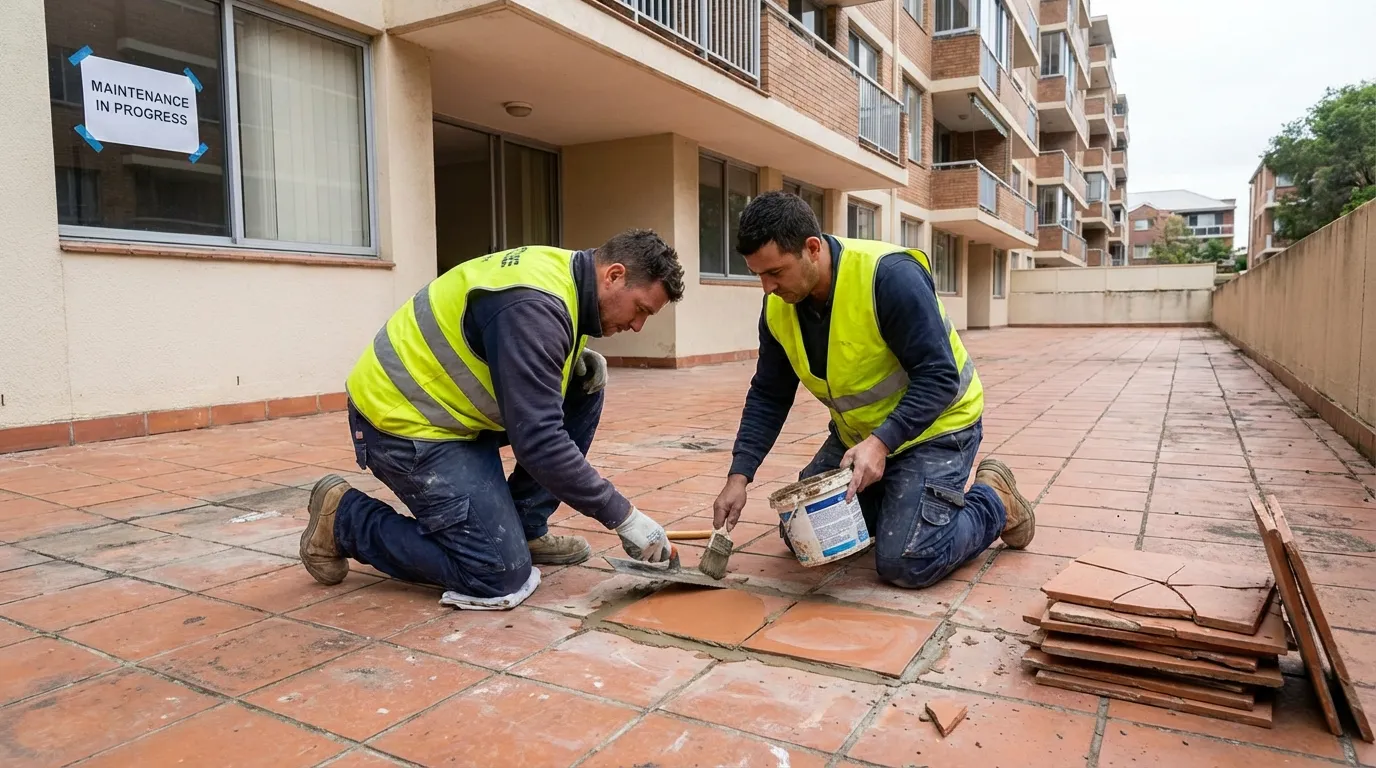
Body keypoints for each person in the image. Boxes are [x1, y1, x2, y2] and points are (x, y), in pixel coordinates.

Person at [300, 230, 685, 600]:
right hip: (405, 423)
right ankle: (346, 520)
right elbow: (540, 442)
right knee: (497, 574)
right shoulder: (535, 306)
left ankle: (524, 526)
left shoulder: (566, 275)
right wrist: (625, 517)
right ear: (614, 275)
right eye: (640, 310)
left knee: (583, 387)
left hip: (451, 412)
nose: (637, 326)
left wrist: (567, 364)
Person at [711, 191, 1035, 589]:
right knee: (805, 537)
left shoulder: (890, 277)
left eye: (775, 272)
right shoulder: (778, 306)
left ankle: (994, 501)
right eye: (757, 274)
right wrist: (739, 476)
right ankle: (900, 500)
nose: (766, 287)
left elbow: (939, 376)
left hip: (938, 429)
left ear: (812, 249)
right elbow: (769, 393)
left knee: (907, 562)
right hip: (860, 438)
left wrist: (881, 444)